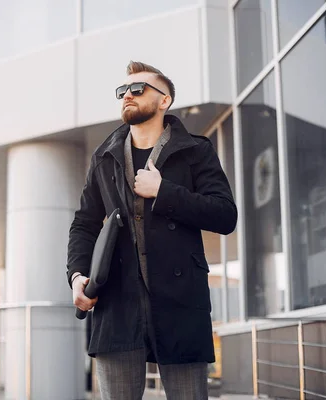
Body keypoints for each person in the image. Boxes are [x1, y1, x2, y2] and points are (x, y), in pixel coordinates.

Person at [66, 61, 237, 399]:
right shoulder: (104, 156)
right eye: (122, 91)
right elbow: (84, 224)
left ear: (164, 101)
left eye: (138, 89)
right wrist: (76, 276)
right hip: (117, 306)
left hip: (181, 306)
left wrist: (165, 192)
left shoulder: (195, 151)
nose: (127, 95)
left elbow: (225, 215)